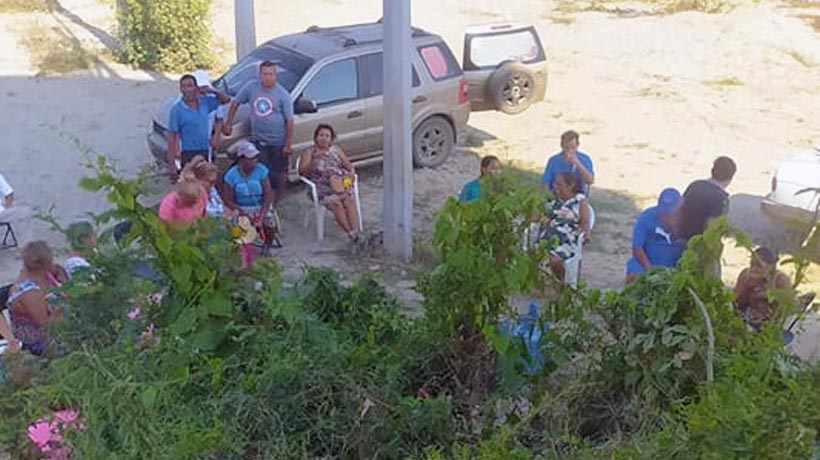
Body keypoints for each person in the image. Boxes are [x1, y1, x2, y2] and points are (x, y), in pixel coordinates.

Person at [223, 61, 295, 203]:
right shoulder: (251, 87)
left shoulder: (283, 94)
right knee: (261, 172)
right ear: (259, 74)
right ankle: (262, 200)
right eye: (264, 74)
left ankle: (279, 201)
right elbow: (235, 103)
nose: (267, 77)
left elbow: (289, 121)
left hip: (277, 142)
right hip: (258, 141)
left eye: (270, 74)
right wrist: (229, 123)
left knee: (279, 173)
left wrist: (287, 144)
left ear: (276, 75)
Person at [298, 124, 361, 241]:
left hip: (340, 184)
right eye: (321, 135)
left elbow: (348, 166)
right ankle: (351, 234)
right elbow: (302, 172)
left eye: (327, 136)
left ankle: (356, 231)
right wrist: (313, 159)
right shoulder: (310, 152)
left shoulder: (336, 150)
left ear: (331, 139)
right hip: (321, 188)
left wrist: (350, 173)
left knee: (349, 200)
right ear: (316, 137)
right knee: (336, 204)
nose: (324, 138)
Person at [6, 241, 64, 356]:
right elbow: (47, 325)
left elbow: (58, 272)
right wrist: (61, 309)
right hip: (38, 342)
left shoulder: (37, 273)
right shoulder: (30, 292)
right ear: (46, 264)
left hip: (53, 325)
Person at [167, 74, 230, 177]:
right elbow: (171, 137)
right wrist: (172, 164)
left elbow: (226, 100)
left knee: (204, 182)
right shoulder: (177, 110)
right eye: (183, 86)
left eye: (190, 86)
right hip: (187, 153)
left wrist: (212, 91)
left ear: (196, 88)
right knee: (190, 184)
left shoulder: (204, 102)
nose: (186, 90)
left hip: (204, 150)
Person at [625, 188, 686, 283]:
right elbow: (637, 248)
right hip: (647, 263)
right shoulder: (646, 217)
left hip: (673, 267)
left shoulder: (688, 221)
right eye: (663, 212)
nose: (665, 216)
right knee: (634, 277)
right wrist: (650, 270)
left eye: (670, 213)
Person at [222, 141, 276, 246]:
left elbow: (267, 194)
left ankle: (268, 244)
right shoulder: (231, 175)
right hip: (240, 207)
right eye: (251, 158)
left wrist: (261, 216)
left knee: (269, 220)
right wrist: (242, 212)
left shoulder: (261, 170)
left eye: (255, 157)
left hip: (260, 205)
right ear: (241, 159)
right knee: (235, 222)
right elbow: (228, 200)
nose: (254, 160)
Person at [539, 172, 591, 282]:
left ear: (570, 186)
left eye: (559, 184)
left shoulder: (579, 200)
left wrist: (586, 233)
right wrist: (542, 218)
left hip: (566, 239)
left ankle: (561, 283)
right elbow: (539, 216)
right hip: (548, 236)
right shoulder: (552, 200)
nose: (555, 187)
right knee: (533, 255)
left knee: (555, 261)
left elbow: (585, 221)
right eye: (555, 184)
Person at [734, 247, 792, 331]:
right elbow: (736, 301)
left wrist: (769, 294)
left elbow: (789, 307)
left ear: (771, 267)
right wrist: (747, 286)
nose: (753, 269)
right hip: (745, 321)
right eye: (752, 264)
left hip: (770, 326)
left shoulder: (780, 280)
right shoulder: (745, 275)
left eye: (759, 266)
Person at [679, 156, 736, 240]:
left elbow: (679, 208)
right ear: (730, 178)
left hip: (679, 235)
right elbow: (710, 228)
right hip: (696, 242)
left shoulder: (695, 185)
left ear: (712, 171)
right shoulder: (721, 199)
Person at [541, 130, 595, 196]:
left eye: (573, 147)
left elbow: (590, 181)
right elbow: (545, 183)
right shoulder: (553, 160)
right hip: (557, 195)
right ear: (562, 145)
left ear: (577, 145)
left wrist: (578, 163)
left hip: (578, 196)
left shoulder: (585, 159)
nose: (569, 151)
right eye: (566, 148)